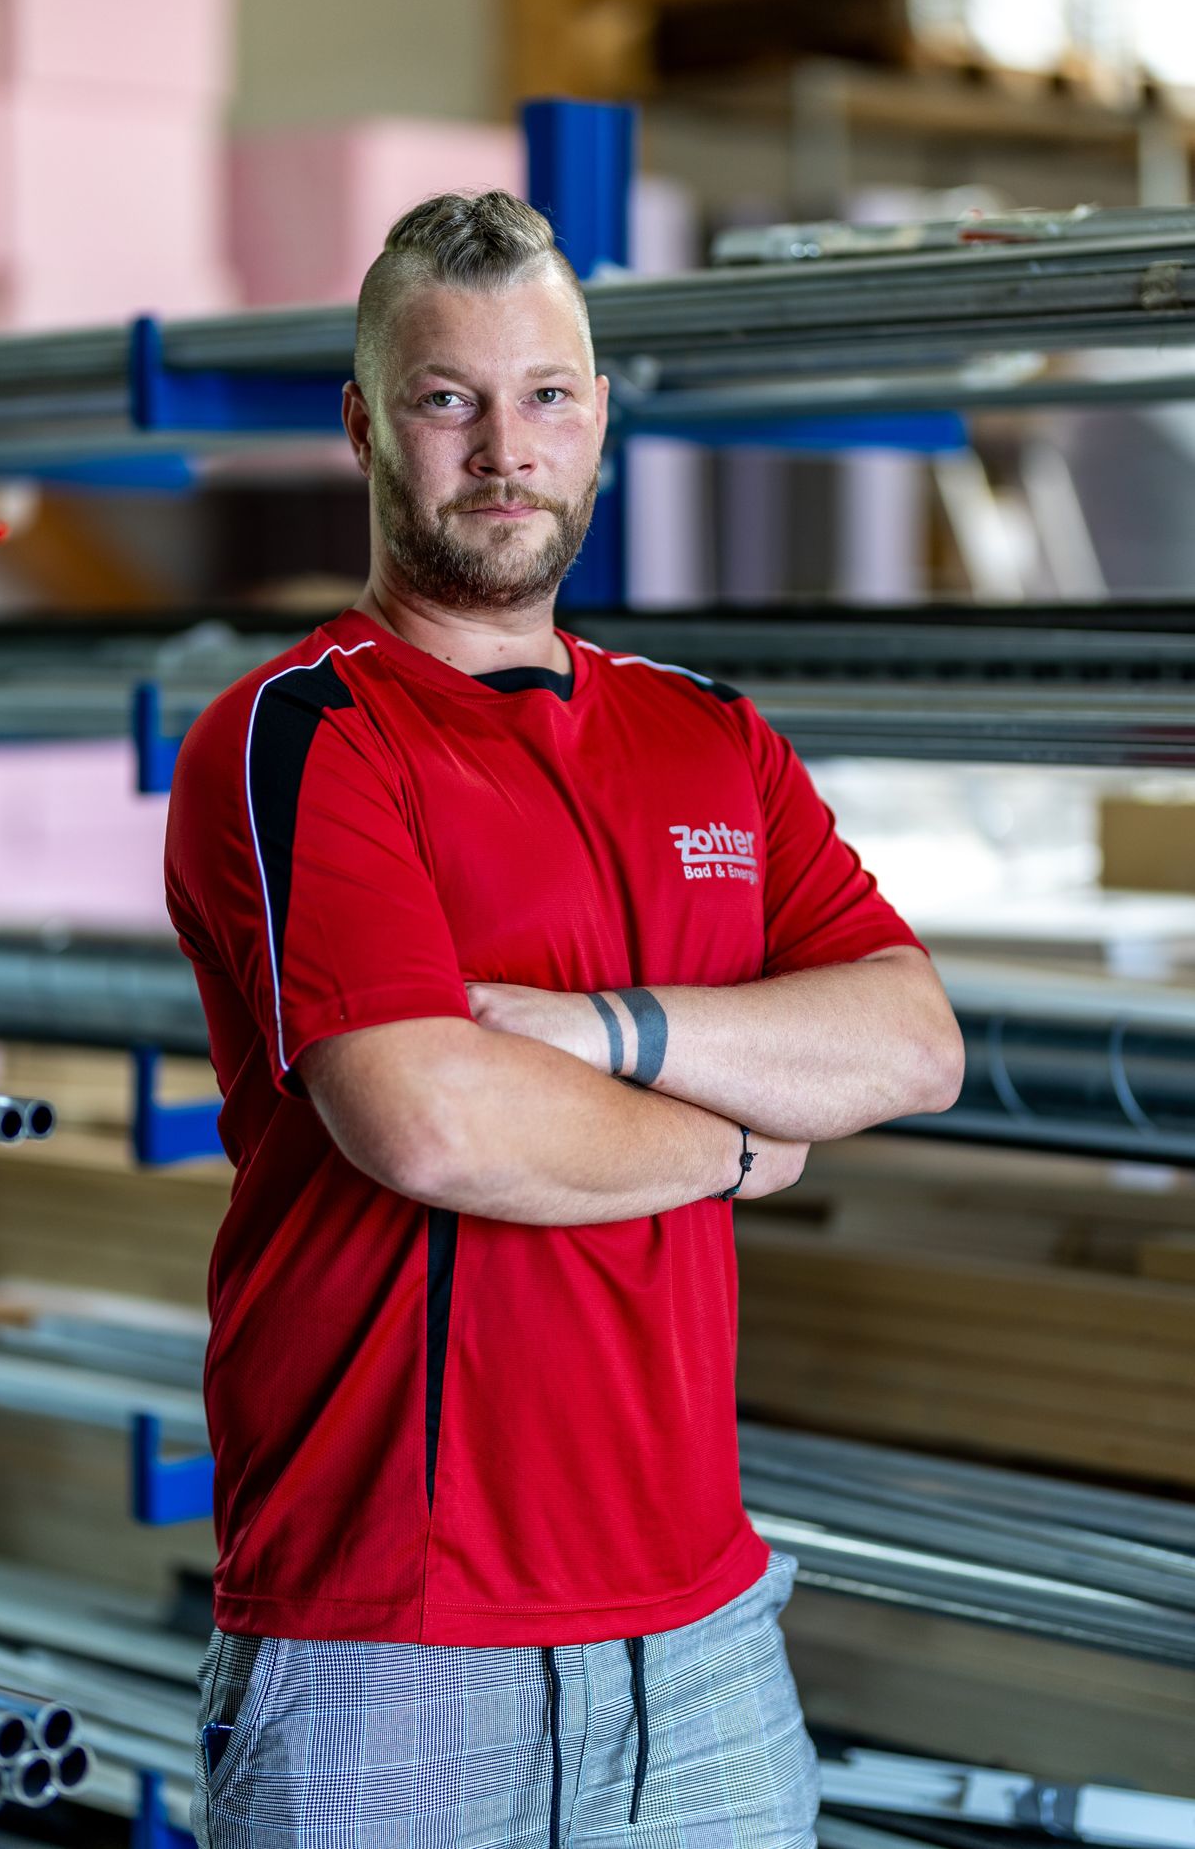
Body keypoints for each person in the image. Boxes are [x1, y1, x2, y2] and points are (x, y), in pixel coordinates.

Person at [165, 189, 965, 1849]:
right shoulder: (303, 733)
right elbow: (433, 1120)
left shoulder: (709, 738)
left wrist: (597, 1032)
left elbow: (908, 1044)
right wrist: (742, 1136)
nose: (502, 447)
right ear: (364, 425)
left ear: (597, 415)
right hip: (387, 1633)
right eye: (445, 397)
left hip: (701, 1637)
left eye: (543, 394)